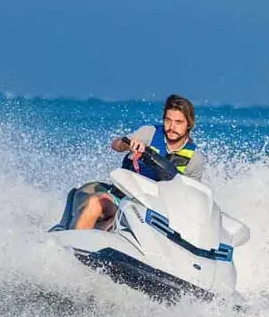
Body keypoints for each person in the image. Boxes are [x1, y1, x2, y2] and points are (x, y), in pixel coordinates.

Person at [74, 94, 206, 230]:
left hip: (159, 215)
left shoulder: (195, 159)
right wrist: (127, 144)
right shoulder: (149, 133)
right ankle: (73, 249)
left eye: (178, 122)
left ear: (189, 124)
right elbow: (116, 145)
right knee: (95, 202)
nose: (171, 127)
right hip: (123, 200)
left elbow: (192, 199)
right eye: (168, 120)